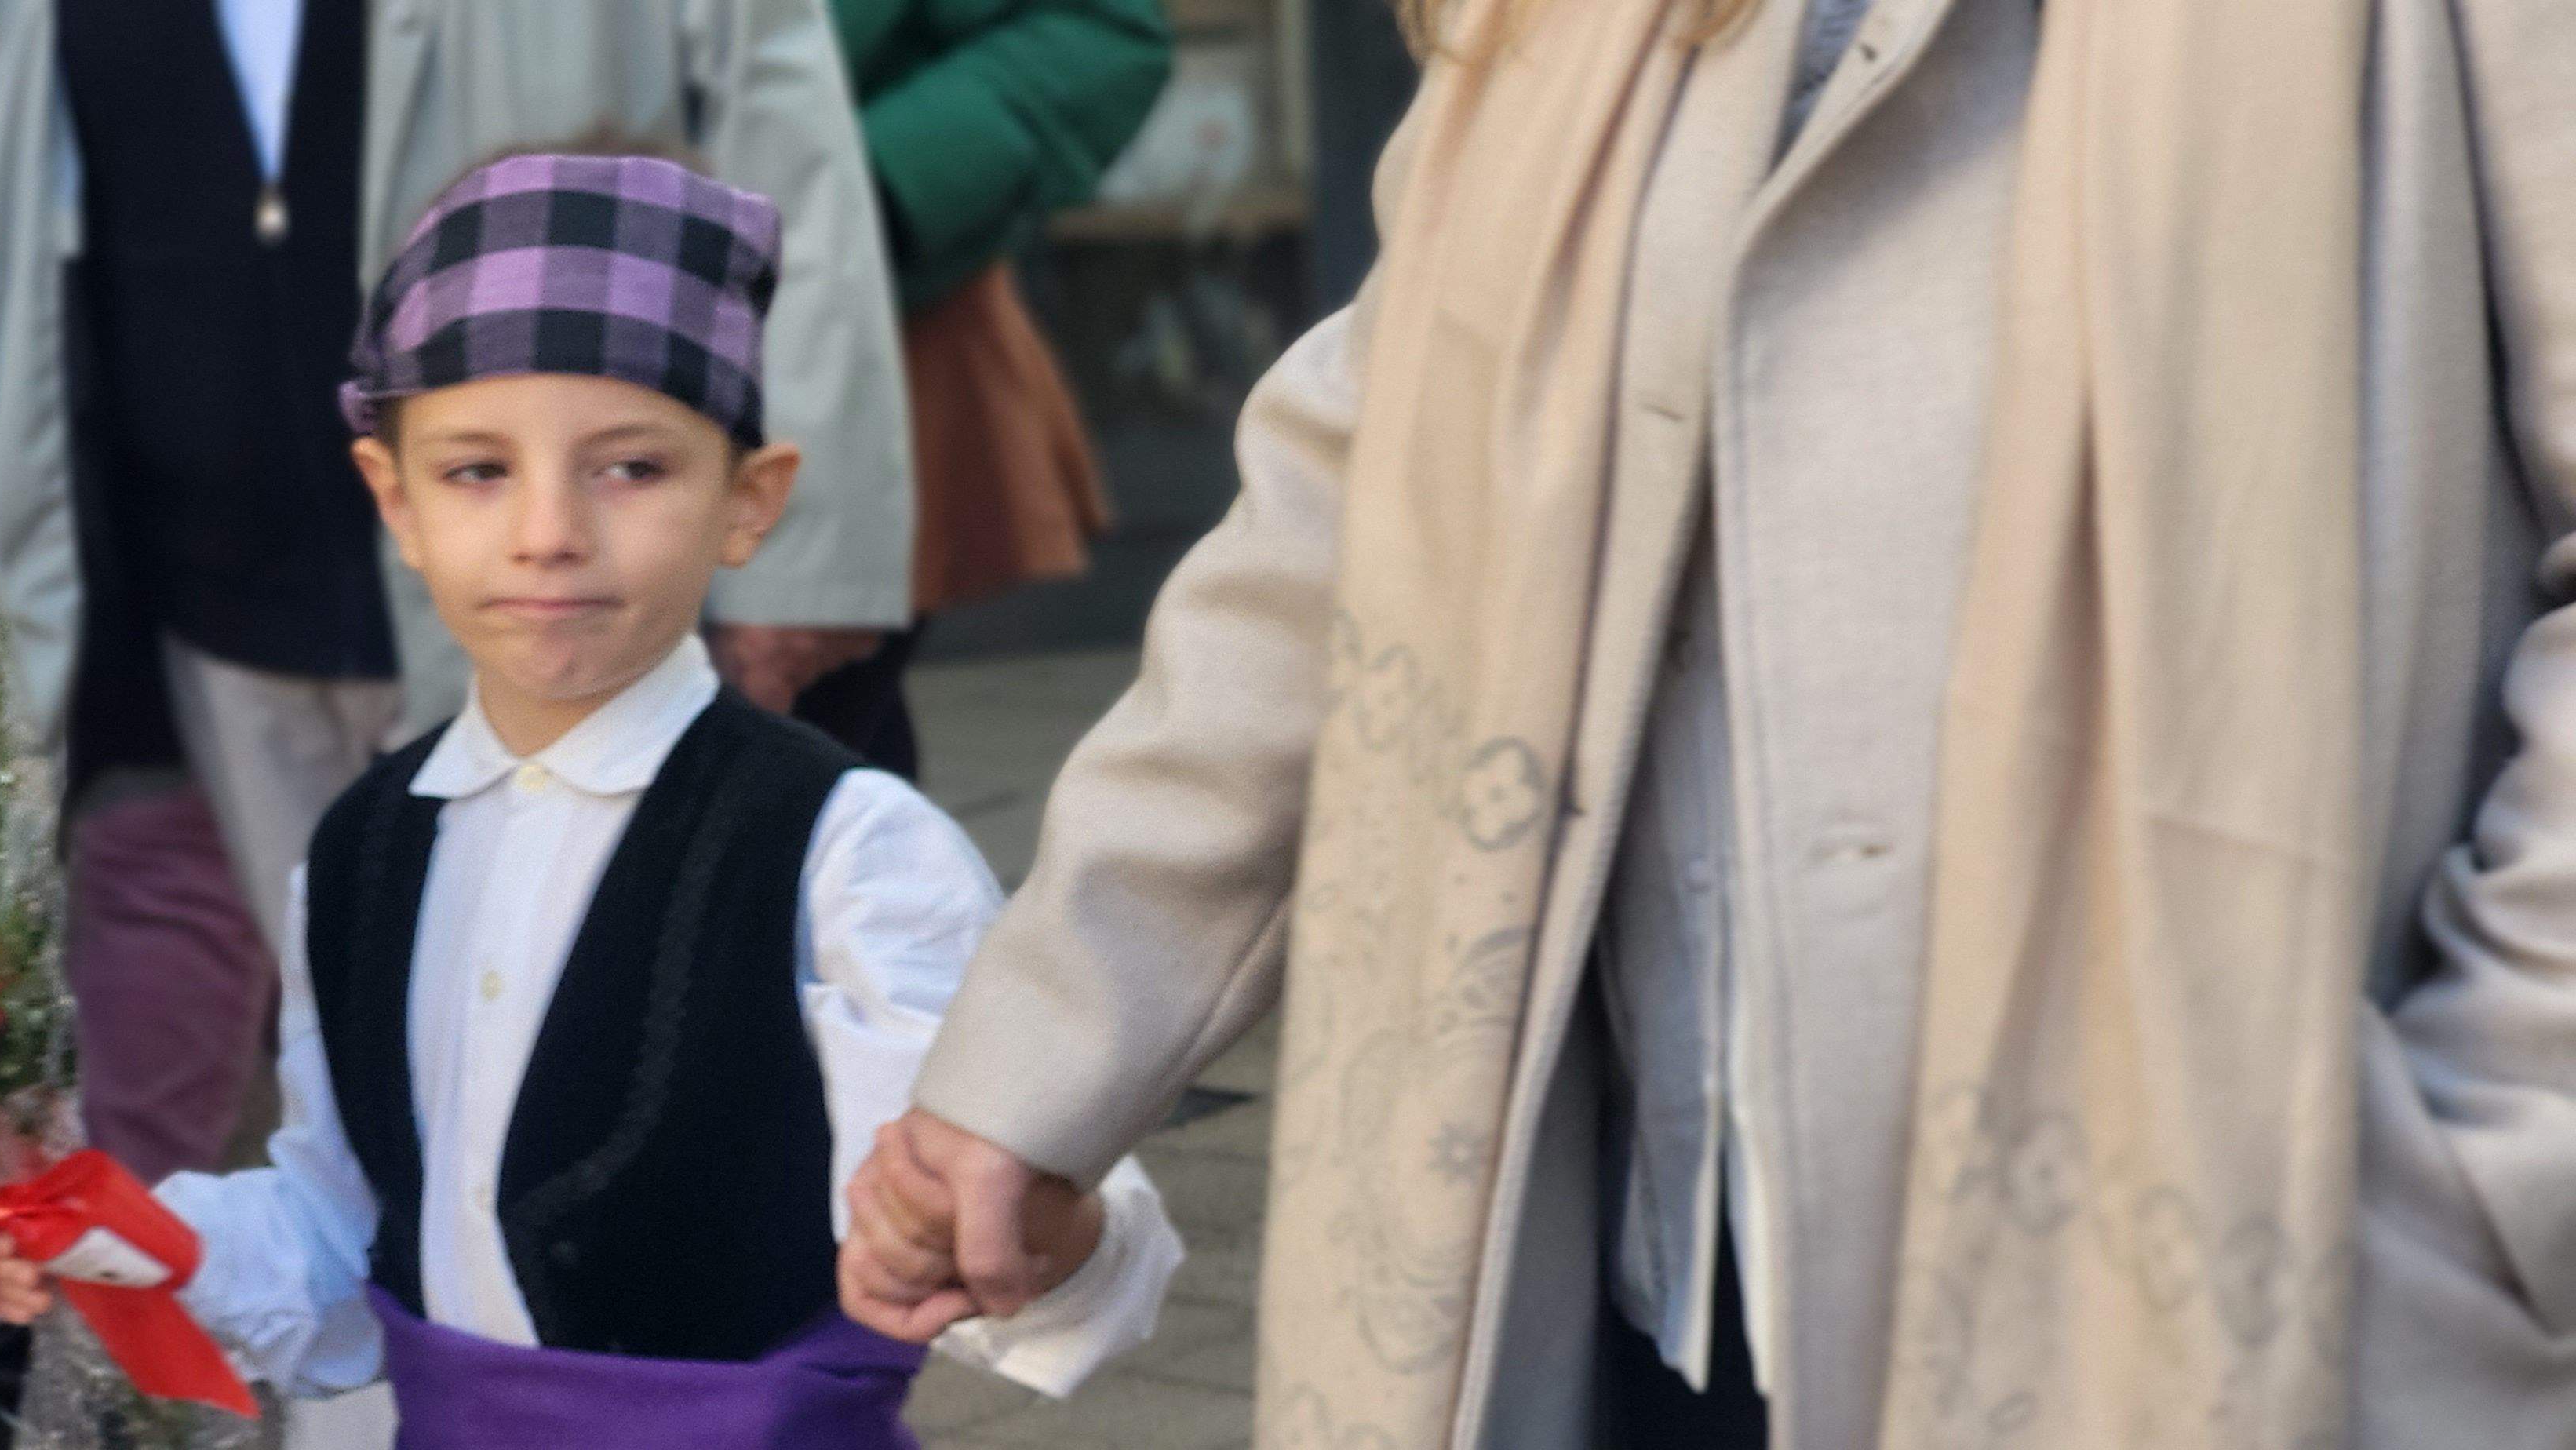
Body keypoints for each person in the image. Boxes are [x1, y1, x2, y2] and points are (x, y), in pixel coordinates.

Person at [840, 0, 2576, 1447]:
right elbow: (1374, 494)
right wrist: (1042, 1057)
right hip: (1646, 1281)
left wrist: (2481, 1193)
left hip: (2212, 1293)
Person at [0, 155, 1182, 1444]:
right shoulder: (364, 851)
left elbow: (998, 1226)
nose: (549, 531)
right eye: (478, 470)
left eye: (630, 468)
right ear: (396, 499)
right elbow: (345, 1229)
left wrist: (1031, 1229)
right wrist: (121, 1237)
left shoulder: (847, 854)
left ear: (748, 500)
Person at [0, 0, 916, 1197]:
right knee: (369, 1065)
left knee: (636, 1046)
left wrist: (799, 562)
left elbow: (795, 163)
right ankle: (422, 1341)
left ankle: (657, 1344)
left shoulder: (878, 860)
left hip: (563, 592)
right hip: (213, 603)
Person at [803, 0, 1173, 778]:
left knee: (803, 757)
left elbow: (1098, 31)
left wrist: (864, 185)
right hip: (527, 352)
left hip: (855, 343)